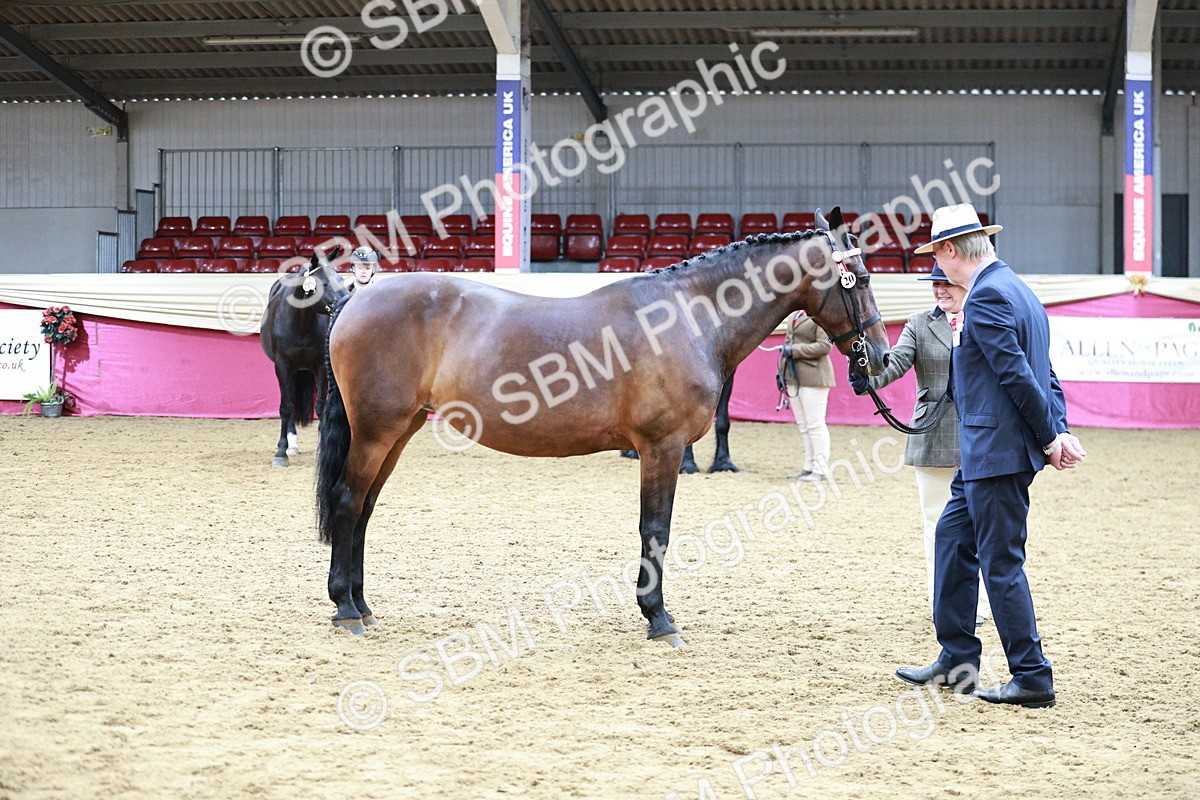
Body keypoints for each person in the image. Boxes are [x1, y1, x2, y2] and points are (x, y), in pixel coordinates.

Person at [894, 203, 1085, 709]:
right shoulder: (1018, 290)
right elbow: (1044, 371)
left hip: (997, 453)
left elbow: (1020, 377)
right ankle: (956, 658)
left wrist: (1050, 437)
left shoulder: (985, 298)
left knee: (1001, 565)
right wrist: (1058, 427)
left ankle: (1032, 677)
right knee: (952, 541)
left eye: (937, 253)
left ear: (951, 250)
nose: (938, 264)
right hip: (983, 452)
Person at [850, 263, 991, 625]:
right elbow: (892, 366)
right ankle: (943, 601)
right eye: (935, 284)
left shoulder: (986, 317)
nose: (941, 290)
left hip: (984, 437)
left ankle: (980, 604)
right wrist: (865, 368)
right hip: (935, 435)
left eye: (947, 284)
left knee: (983, 524)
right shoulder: (919, 324)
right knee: (938, 525)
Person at [780, 310, 833, 481]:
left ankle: (821, 469)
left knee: (815, 424)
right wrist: (781, 370)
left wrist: (794, 350)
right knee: (803, 425)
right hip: (794, 376)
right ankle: (808, 466)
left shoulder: (821, 316)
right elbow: (789, 340)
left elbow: (825, 346)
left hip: (815, 376)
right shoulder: (794, 315)